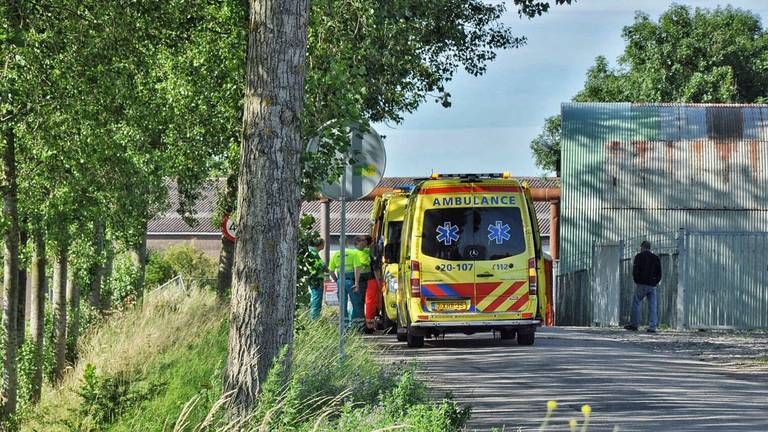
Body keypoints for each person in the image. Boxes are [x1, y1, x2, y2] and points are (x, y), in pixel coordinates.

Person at [625, 240, 662, 333]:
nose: (640, 249)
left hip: (641, 284)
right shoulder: (655, 258)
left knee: (636, 303)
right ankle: (652, 327)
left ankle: (634, 325)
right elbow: (659, 272)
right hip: (652, 284)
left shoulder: (639, 257)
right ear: (649, 247)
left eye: (640, 247)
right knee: (652, 305)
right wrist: (655, 282)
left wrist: (637, 281)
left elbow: (635, 271)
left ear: (643, 247)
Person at [328, 239, 362, 328]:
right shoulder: (353, 253)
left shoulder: (335, 254)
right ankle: (357, 327)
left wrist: (337, 281)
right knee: (356, 304)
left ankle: (344, 327)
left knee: (342, 305)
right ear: (347, 242)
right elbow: (357, 268)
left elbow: (331, 271)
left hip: (340, 281)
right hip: (351, 281)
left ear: (339, 243)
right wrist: (357, 283)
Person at [307, 238, 327, 320]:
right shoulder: (313, 254)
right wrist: (324, 267)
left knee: (315, 300)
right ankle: (314, 320)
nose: (324, 246)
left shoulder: (313, 253)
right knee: (316, 301)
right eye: (323, 244)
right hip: (316, 280)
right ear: (319, 245)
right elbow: (315, 268)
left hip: (314, 279)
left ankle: (314, 318)